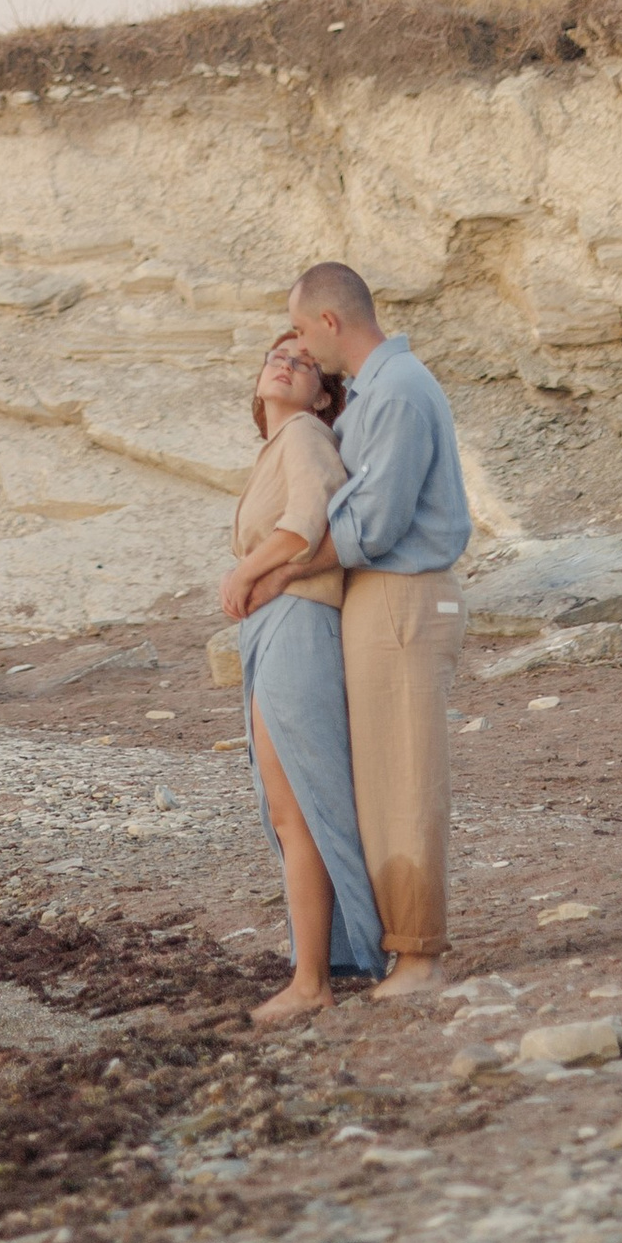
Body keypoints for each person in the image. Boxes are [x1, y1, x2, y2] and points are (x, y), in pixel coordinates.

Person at [276, 259, 473, 1003]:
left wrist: (285, 570)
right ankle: (399, 948)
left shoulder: (396, 392)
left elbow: (375, 523)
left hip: (402, 596)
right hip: (381, 601)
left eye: (301, 329)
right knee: (381, 779)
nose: (299, 346)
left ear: (331, 321)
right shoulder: (373, 394)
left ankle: (421, 959)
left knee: (405, 777)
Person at [217, 336, 386, 1026]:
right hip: (276, 627)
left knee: (303, 806)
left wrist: (245, 571)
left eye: (306, 362)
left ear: (323, 396)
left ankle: (314, 978)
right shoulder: (278, 445)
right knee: (289, 810)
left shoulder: (306, 436)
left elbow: (305, 525)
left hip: (297, 623)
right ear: (258, 383)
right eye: (276, 356)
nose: (286, 363)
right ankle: (317, 964)